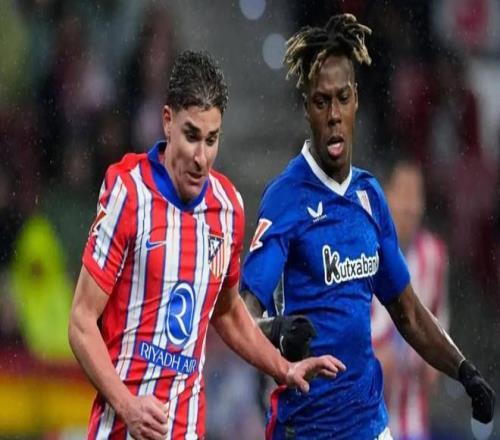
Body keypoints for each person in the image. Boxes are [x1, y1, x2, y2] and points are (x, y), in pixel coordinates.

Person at [241, 14, 495, 440]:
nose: (334, 115)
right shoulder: (286, 199)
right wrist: (277, 331)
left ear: (357, 100)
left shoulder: (370, 196)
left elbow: (408, 312)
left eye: (342, 98)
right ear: (307, 108)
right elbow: (243, 318)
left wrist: (464, 370)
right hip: (306, 428)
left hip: (370, 426)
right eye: (322, 102)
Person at [68, 50, 344, 440]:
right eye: (192, 135)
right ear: (167, 121)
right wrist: (128, 406)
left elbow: (227, 311)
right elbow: (81, 322)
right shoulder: (128, 193)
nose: (201, 157)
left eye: (212, 140)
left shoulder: (227, 209)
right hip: (121, 429)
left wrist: (284, 368)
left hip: (187, 429)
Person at [371, 160, 448, 440]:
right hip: (366, 418)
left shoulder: (434, 256)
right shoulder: (363, 251)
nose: (410, 206)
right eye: (403, 193)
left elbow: (439, 319)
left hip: (413, 421)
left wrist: (435, 360)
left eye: (416, 195)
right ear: (385, 196)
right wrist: (373, 355)